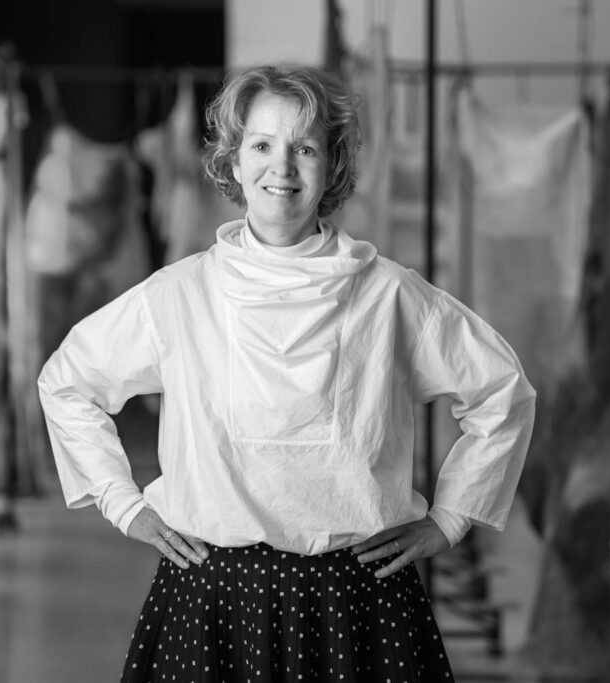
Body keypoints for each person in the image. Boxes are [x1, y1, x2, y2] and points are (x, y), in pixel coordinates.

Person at [37, 63, 536, 682]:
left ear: (332, 165)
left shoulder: (391, 297)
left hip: (357, 597)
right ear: (234, 159)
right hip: (211, 595)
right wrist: (123, 503)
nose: (283, 167)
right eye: (263, 145)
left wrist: (451, 517)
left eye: (305, 147)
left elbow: (503, 391)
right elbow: (67, 382)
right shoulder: (179, 296)